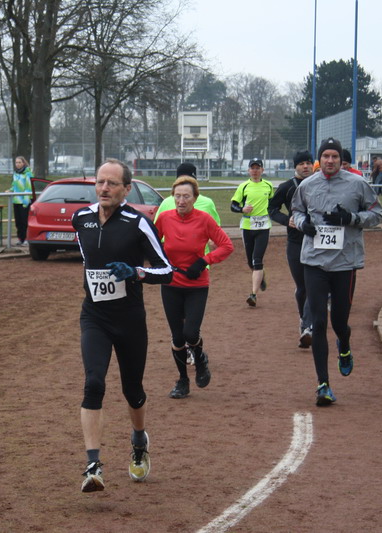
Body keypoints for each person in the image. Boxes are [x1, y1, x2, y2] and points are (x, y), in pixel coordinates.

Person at [72, 158, 173, 493]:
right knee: (93, 382)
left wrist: (136, 272)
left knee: (133, 390)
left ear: (126, 189)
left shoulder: (139, 224)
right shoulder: (81, 218)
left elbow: (166, 270)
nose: (104, 188)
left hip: (129, 319)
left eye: (112, 183)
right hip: (95, 316)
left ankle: (139, 441)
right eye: (100, 182)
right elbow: (88, 260)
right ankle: (93, 465)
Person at [291, 137, 382, 406]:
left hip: (344, 263)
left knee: (339, 322)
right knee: (319, 322)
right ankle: (323, 385)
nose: (330, 160)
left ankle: (344, 343)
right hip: (314, 262)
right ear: (320, 159)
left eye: (334, 156)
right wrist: (303, 224)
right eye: (326, 156)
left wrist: (351, 218)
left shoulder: (357, 184)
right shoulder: (307, 185)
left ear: (341, 160)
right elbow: (296, 211)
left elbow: (377, 214)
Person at [155, 175, 233, 399]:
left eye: (186, 196)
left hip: (197, 284)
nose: (181, 201)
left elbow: (226, 246)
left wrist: (204, 261)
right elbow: (151, 242)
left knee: (190, 332)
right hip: (171, 283)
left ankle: (200, 359)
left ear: (195, 198)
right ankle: (182, 381)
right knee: (177, 337)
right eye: (177, 196)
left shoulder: (204, 219)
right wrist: (160, 262)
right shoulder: (164, 218)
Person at [268, 150, 315, 348]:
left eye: (308, 163)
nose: (305, 166)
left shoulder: (320, 184)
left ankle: (308, 327)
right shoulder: (287, 187)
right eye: (301, 163)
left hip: (317, 241)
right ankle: (304, 320)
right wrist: (287, 220)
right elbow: (272, 209)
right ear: (295, 166)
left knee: (314, 285)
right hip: (296, 241)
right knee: (302, 287)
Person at [230, 158, 274, 307]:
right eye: (252, 168)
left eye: (258, 168)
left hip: (263, 227)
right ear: (249, 170)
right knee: (251, 262)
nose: (255, 170)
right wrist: (242, 209)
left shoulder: (268, 186)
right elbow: (233, 205)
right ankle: (261, 275)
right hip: (248, 227)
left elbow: (272, 203)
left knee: (257, 260)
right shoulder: (243, 187)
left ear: (262, 170)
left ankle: (253, 295)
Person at [155, 162, 220, 224]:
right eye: (181, 181)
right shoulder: (166, 203)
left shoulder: (207, 203)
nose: (181, 201)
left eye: (189, 182)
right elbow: (156, 229)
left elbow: (216, 227)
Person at [7, 156, 33, 246]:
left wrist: (26, 201)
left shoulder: (28, 173)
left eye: (19, 162)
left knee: (24, 221)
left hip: (24, 201)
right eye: (16, 162)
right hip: (16, 200)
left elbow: (28, 187)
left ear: (23, 163)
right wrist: (10, 190)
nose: (17, 164)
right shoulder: (16, 173)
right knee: (18, 221)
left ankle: (26, 238)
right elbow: (14, 185)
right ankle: (20, 238)